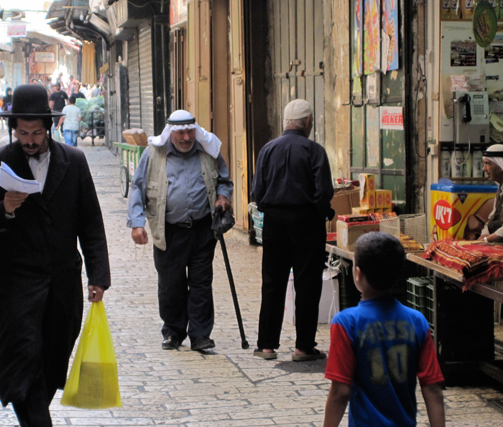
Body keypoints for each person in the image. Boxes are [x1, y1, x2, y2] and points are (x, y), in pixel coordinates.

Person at [0, 84, 111, 427]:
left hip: (62, 281)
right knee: (20, 356)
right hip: (16, 282)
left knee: (52, 357)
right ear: (13, 128)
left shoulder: (73, 162)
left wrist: (98, 276)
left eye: (35, 132)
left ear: (48, 128)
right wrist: (3, 208)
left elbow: (90, 220)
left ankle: (36, 413)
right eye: (22, 132)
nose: (29, 140)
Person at [127, 109, 233, 351]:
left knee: (201, 283)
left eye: (190, 132)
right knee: (171, 284)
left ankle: (200, 335)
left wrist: (223, 198)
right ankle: (173, 332)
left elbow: (225, 181)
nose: (187, 137)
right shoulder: (153, 154)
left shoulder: (208, 150)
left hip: (203, 229)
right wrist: (136, 223)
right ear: (171, 133)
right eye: (181, 132)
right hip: (169, 231)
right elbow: (138, 188)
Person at [323, 232, 445, 427]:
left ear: (357, 274)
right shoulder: (417, 322)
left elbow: (340, 392)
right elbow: (432, 388)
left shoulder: (346, 323)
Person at [252, 99, 334, 361]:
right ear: (308, 122)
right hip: (307, 222)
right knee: (307, 283)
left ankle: (266, 345)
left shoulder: (267, 149)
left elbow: (258, 193)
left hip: (274, 222)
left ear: (285, 122)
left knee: (272, 282)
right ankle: (303, 347)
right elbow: (324, 193)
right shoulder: (315, 151)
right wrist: (321, 212)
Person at [480, 144, 503, 243]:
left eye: (488, 163)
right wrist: (484, 234)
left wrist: (486, 240)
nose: (484, 169)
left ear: (500, 165)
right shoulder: (500, 188)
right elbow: (493, 217)